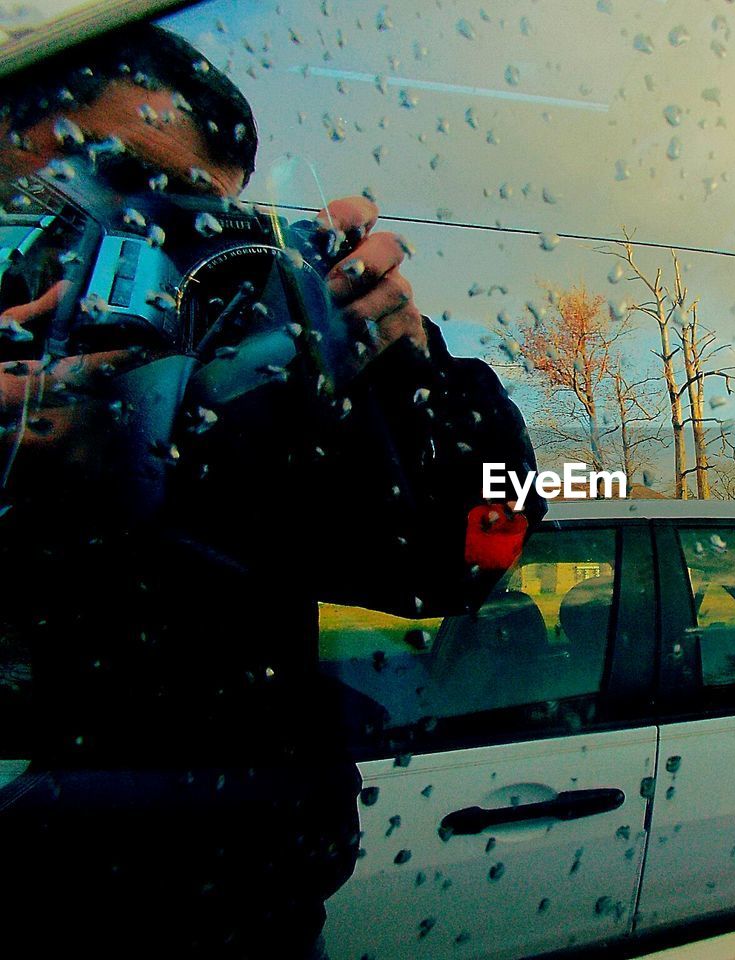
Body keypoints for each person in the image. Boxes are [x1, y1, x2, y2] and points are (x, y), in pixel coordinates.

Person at [0, 21, 543, 958]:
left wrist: (412, 368)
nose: (111, 249)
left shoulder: (246, 385)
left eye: (168, 214)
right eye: (62, 195)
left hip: (227, 905)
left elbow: (468, 557)